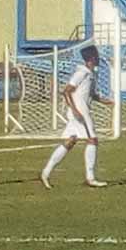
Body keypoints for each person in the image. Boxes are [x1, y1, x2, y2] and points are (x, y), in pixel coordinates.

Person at [40, 45, 114, 188]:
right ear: (92, 58)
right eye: (97, 55)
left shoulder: (91, 74)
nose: (99, 58)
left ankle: (45, 173)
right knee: (92, 140)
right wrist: (74, 110)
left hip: (80, 111)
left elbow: (92, 95)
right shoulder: (82, 73)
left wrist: (109, 101)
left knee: (71, 141)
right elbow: (67, 91)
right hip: (80, 112)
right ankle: (90, 178)